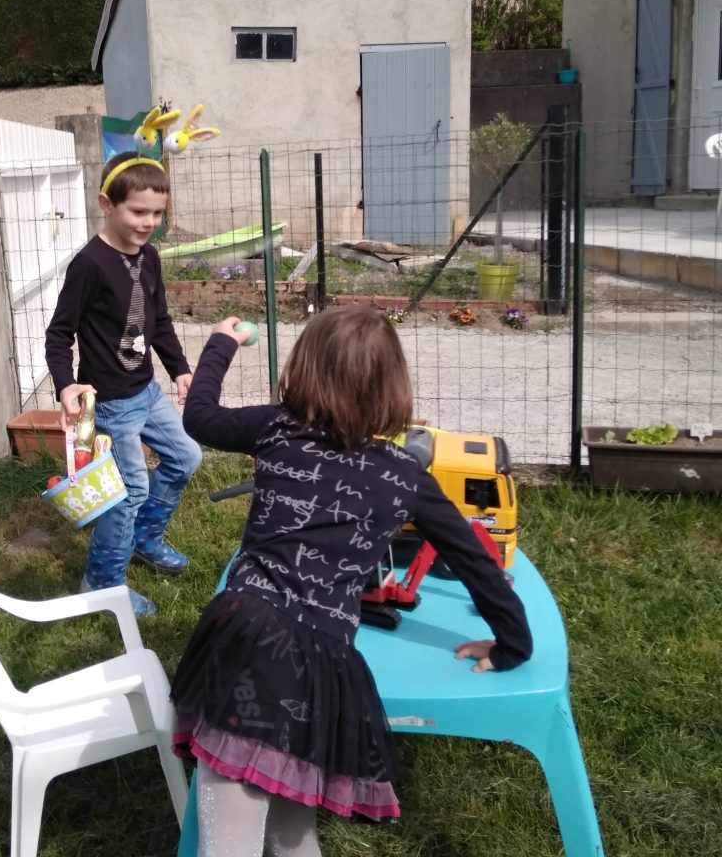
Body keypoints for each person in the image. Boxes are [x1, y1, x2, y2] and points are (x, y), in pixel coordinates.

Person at [172, 306, 533, 857]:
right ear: (392, 386)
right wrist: (512, 643)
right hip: (323, 666)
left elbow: (199, 415)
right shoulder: (406, 475)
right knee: (293, 826)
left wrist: (221, 343)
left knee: (229, 839)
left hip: (247, 642)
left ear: (303, 368)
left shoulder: (274, 428)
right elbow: (475, 560)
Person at [45, 150, 202, 616]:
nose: (149, 222)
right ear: (106, 204)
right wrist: (65, 384)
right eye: (138, 211)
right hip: (110, 403)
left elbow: (160, 320)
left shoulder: (149, 257)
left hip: (147, 392)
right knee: (128, 491)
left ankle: (144, 538)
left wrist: (179, 368)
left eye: (157, 212)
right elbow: (59, 333)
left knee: (186, 456)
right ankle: (101, 582)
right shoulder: (89, 264)